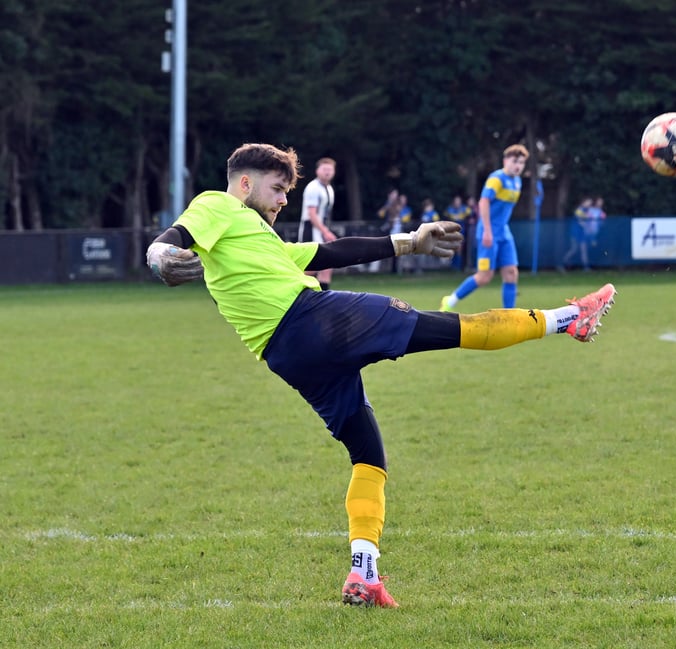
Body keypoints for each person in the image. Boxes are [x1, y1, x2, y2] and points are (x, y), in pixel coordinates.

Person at [145, 142, 618, 609]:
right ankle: (567, 318)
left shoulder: (257, 237)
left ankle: (363, 571)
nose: (285, 198)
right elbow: (172, 237)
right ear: (244, 182)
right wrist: (159, 256)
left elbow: (327, 253)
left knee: (368, 455)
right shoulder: (218, 203)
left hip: (287, 356)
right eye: (277, 188)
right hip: (312, 320)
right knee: (450, 328)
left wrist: (408, 241)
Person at [440, 144, 529, 311]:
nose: (518, 165)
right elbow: (484, 202)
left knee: (511, 273)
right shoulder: (496, 179)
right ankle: (450, 301)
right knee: (484, 277)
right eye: (515, 161)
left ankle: (509, 316)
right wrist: (488, 230)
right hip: (488, 233)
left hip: (504, 232)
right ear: (505, 161)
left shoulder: (517, 182)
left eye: (522, 162)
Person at [298, 157, 337, 290]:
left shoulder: (329, 189)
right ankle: (296, 288)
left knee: (327, 263)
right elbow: (312, 214)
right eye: (324, 169)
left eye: (330, 169)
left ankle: (323, 295)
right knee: (311, 266)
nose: (327, 172)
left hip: (321, 228)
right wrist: (325, 231)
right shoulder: (313, 187)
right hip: (311, 228)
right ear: (317, 171)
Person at [561, 197, 593, 272]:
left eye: (590, 203)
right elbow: (581, 221)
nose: (589, 204)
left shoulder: (587, 211)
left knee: (583, 250)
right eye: (588, 202)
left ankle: (586, 267)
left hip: (582, 234)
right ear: (583, 202)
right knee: (574, 249)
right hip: (575, 234)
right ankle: (563, 263)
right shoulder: (579, 210)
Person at [444, 195, 472, 270]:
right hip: (452, 231)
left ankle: (458, 266)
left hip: (461, 231)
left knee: (459, 248)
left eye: (458, 201)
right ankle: (453, 265)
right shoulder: (450, 209)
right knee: (452, 247)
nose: (457, 203)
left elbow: (471, 214)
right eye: (456, 201)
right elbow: (445, 217)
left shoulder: (464, 209)